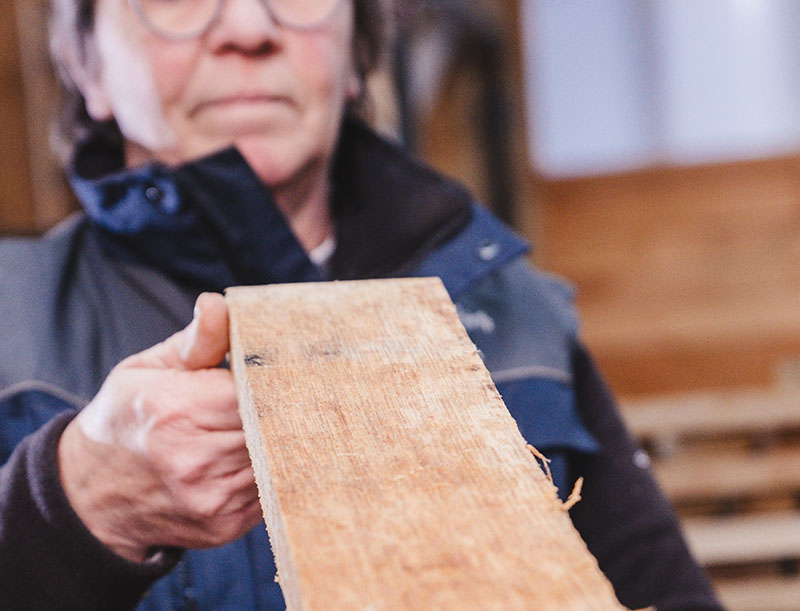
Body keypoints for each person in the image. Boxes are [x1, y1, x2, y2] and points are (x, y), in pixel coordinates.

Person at [0, 0, 722, 609]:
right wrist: (70, 504)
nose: (249, 26)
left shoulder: (515, 309)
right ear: (86, 63)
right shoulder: (13, 317)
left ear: (355, 53)